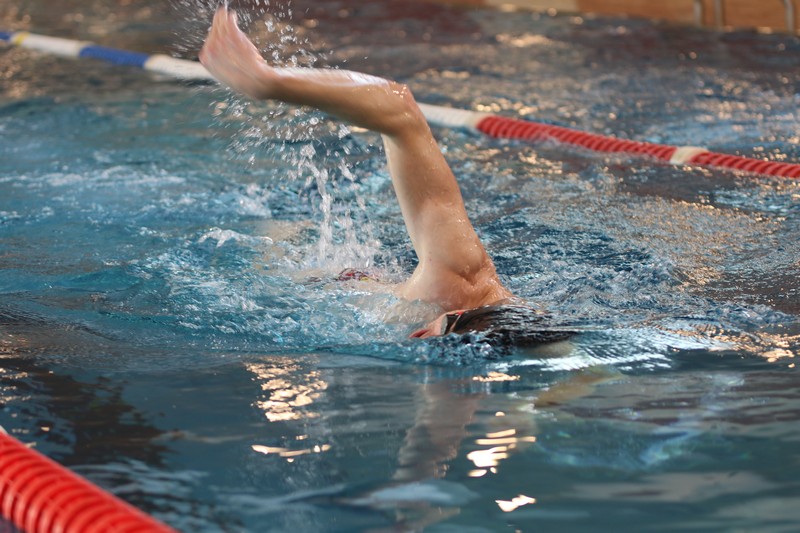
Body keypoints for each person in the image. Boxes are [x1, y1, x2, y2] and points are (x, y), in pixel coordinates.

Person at [200, 7, 566, 345]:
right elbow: (397, 108)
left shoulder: (503, 315)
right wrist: (268, 82)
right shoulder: (459, 275)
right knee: (279, 240)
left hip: (339, 285)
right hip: (327, 283)